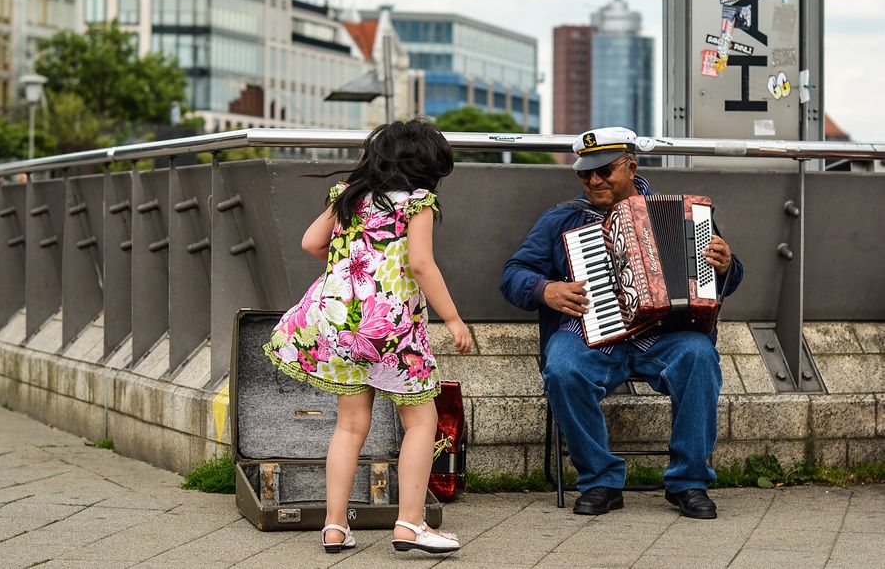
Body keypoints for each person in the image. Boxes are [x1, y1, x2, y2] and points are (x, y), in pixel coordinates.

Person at [500, 127, 744, 520]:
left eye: (604, 171)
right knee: (562, 367)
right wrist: (546, 290)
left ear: (631, 166)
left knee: (699, 356)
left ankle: (688, 482)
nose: (594, 180)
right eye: (585, 173)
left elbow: (726, 279)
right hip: (591, 334)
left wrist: (726, 264)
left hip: (663, 334)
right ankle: (601, 480)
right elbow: (513, 273)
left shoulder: (686, 213)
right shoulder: (562, 219)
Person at [264, 117, 470, 554]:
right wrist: (452, 319)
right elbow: (420, 264)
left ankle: (335, 526)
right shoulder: (418, 203)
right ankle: (410, 524)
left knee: (350, 424)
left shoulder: (349, 196)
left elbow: (310, 243)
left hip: (339, 321)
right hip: (391, 326)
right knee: (421, 421)